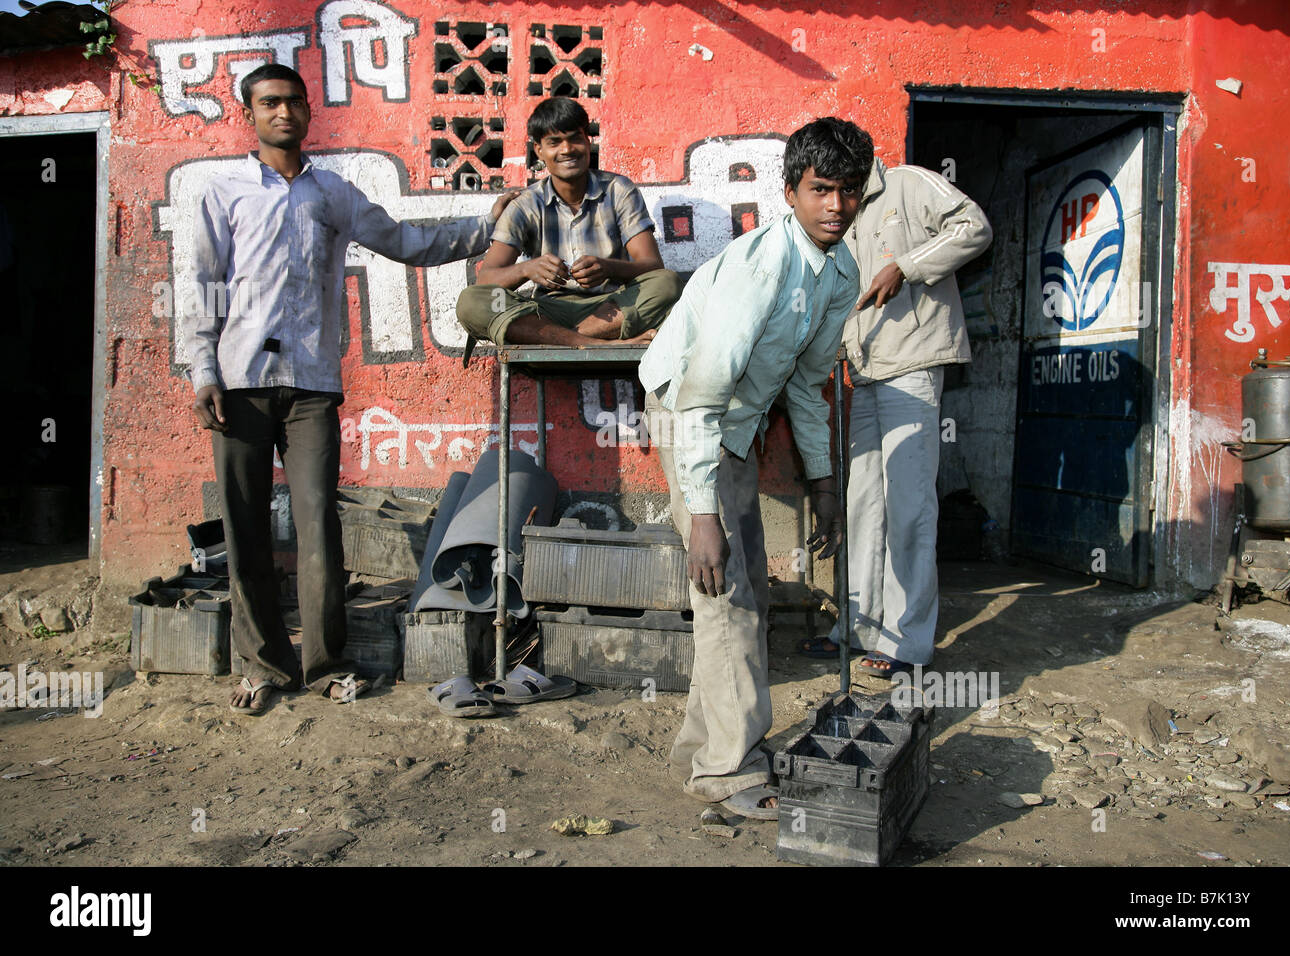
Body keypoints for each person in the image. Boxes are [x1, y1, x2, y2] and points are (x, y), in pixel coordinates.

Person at [182, 64, 518, 715]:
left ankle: (325, 662)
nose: (283, 112)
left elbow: (406, 242)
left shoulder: (330, 194)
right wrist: (203, 373)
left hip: (311, 387)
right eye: (269, 103)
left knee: (317, 525)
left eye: (293, 102)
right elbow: (203, 289)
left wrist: (484, 226)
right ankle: (261, 666)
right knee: (247, 529)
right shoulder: (223, 194)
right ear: (249, 115)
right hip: (240, 385)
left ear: (309, 113)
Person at [638, 117, 873, 819]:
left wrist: (825, 485)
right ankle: (728, 773)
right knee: (726, 591)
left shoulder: (839, 270)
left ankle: (704, 747)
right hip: (690, 413)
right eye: (821, 189)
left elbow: (807, 385)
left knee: (746, 594)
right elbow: (701, 397)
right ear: (790, 191)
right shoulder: (760, 269)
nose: (836, 206)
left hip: (737, 421)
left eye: (849, 191)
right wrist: (702, 514)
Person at [799, 151, 992, 676]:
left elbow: (975, 228)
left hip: (915, 363)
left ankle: (908, 644)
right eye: (823, 186)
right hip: (865, 370)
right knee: (862, 505)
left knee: (909, 506)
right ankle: (859, 627)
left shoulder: (910, 184)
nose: (835, 197)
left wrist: (906, 266)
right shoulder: (837, 209)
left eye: (844, 181)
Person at [456, 96, 682, 347]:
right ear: (539, 150)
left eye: (575, 138)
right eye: (554, 142)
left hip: (611, 311)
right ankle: (594, 344)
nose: (567, 150)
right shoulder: (525, 204)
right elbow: (486, 279)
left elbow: (652, 266)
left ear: (588, 141)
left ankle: (572, 340)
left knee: (667, 283)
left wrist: (608, 268)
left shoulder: (619, 190)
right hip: (545, 313)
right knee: (472, 302)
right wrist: (527, 269)